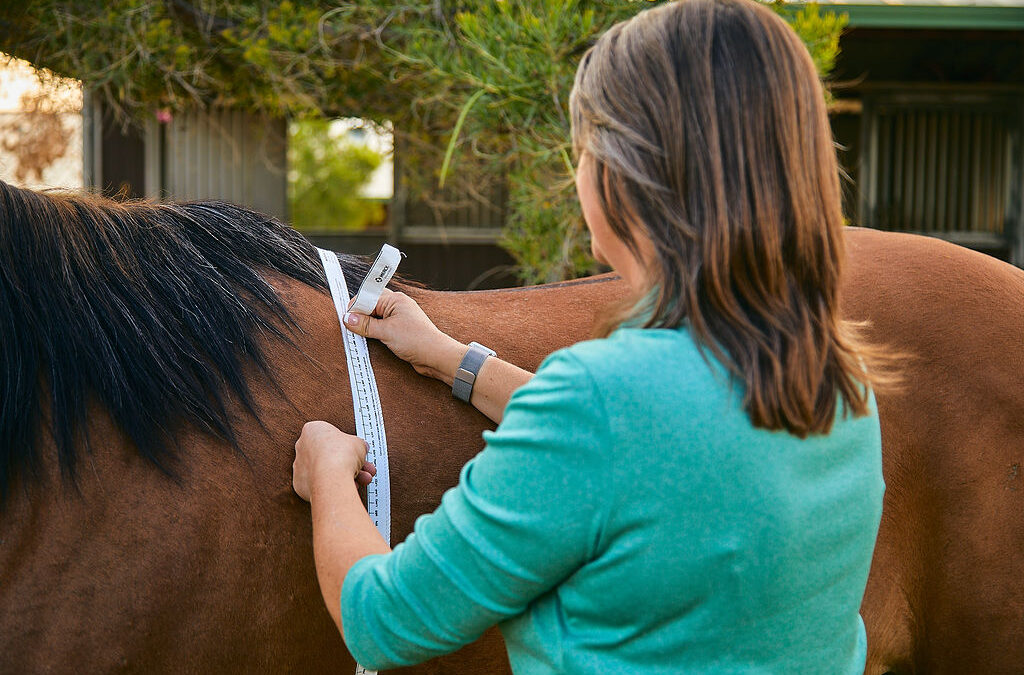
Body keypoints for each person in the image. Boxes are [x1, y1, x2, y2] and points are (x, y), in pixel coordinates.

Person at [292, 0, 887, 671]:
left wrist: (330, 472)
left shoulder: (601, 400)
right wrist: (449, 358)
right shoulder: (845, 386)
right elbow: (648, 446)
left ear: (616, 175)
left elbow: (383, 620)